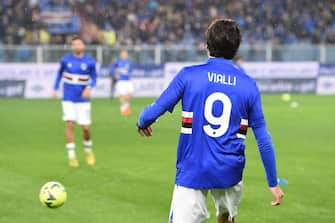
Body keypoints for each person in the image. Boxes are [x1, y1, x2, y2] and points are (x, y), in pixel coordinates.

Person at [136, 19, 284, 223]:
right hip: (229, 170)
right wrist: (272, 182)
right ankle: (225, 215)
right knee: (226, 216)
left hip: (193, 168)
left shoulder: (188, 76)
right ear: (236, 48)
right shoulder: (249, 85)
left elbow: (151, 112)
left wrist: (142, 121)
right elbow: (263, 138)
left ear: (206, 45)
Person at [52, 36, 97, 168]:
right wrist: (55, 88)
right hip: (68, 98)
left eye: (79, 44)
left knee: (86, 128)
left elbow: (94, 78)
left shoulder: (89, 62)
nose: (77, 46)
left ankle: (88, 151)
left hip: (83, 100)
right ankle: (72, 156)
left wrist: (89, 87)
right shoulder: (66, 60)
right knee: (70, 125)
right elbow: (59, 74)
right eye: (74, 44)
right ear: (72, 47)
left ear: (83, 46)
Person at [110, 49, 134, 116]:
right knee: (122, 95)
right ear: (121, 55)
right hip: (121, 81)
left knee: (130, 94)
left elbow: (131, 70)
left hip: (128, 80)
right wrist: (115, 75)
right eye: (123, 54)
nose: (124, 55)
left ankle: (125, 107)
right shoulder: (117, 62)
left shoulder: (129, 62)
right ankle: (123, 110)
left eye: (125, 54)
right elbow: (111, 69)